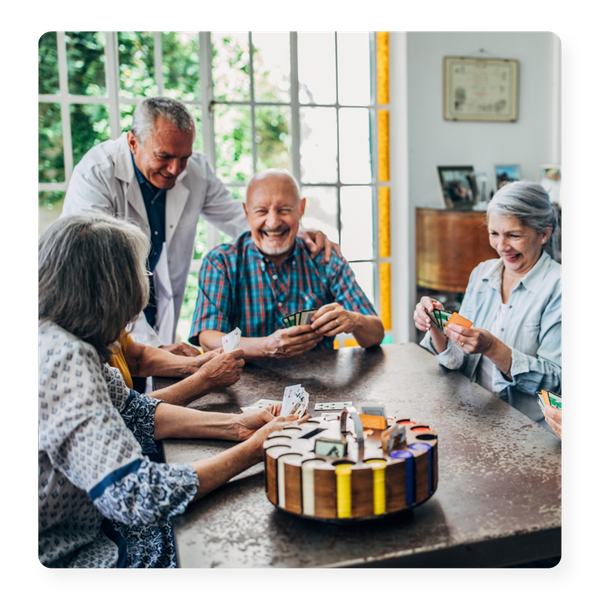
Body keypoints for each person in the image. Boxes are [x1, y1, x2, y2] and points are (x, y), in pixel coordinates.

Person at [37, 213, 302, 569]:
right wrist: (254, 451)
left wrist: (237, 427)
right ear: (111, 291)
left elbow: (133, 410)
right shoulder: (64, 360)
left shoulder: (61, 337)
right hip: (69, 557)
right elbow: (139, 493)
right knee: (227, 552)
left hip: (92, 526)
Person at [61, 96, 338, 355]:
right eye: (164, 157)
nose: (175, 169)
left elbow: (239, 218)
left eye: (184, 157)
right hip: (97, 310)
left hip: (153, 301)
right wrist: (151, 351)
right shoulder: (96, 174)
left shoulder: (195, 170)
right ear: (133, 142)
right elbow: (97, 275)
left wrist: (300, 234)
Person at [189, 169, 385, 358]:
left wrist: (355, 320)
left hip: (320, 384)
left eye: (284, 210)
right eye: (261, 211)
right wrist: (265, 347)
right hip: (241, 381)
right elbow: (208, 339)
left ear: (301, 209)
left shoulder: (325, 258)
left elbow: (376, 334)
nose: (273, 222)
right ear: (246, 212)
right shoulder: (220, 262)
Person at [414, 181, 562, 428]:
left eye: (513, 235)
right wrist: (436, 325)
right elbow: (456, 360)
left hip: (529, 432)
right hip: (475, 417)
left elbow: (557, 382)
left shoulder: (560, 286)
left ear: (544, 233)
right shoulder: (482, 274)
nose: (502, 247)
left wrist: (492, 347)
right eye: (494, 233)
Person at [108, 328, 244, 406]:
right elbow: (127, 410)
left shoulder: (111, 323)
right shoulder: (87, 353)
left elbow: (137, 357)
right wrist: (204, 380)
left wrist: (193, 364)